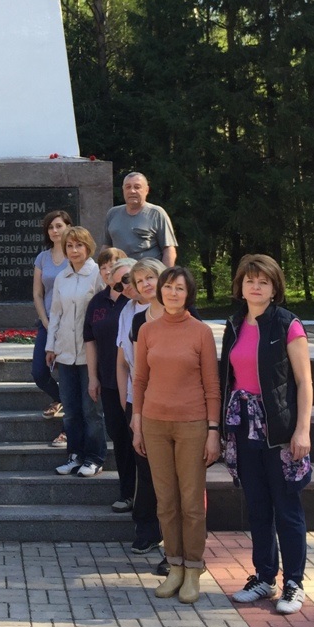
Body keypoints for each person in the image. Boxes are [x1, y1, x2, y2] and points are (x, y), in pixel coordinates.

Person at [219, 254, 313, 615]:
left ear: (275, 288)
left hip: (280, 429)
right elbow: (227, 378)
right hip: (243, 427)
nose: (255, 287)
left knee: (286, 508)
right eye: (249, 280)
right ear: (240, 287)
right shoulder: (235, 324)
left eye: (263, 282)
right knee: (258, 506)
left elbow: (304, 382)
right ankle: (264, 577)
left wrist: (302, 429)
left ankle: (293, 583)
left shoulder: (288, 325)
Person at [132, 267, 220, 604]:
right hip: (154, 423)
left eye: (179, 288)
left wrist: (213, 431)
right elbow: (139, 380)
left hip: (193, 424)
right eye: (168, 287)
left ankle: (194, 568)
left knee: (191, 502)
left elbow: (212, 386)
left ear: (188, 294)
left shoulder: (200, 332)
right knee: (165, 501)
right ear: (160, 291)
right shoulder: (147, 330)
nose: (172, 293)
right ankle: (175, 566)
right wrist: (138, 423)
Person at [116, 258, 167, 559]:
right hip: (142, 403)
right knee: (145, 470)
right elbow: (127, 363)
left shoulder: (183, 312)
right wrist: (129, 407)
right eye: (140, 281)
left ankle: (177, 543)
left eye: (152, 277)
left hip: (176, 405)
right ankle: (147, 530)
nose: (146, 284)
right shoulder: (134, 318)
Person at [45, 227, 104, 477]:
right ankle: (75, 455)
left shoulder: (97, 275)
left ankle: (95, 457)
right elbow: (56, 313)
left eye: (79, 245)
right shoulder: (62, 278)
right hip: (65, 353)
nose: (74, 250)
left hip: (90, 354)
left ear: (88, 247)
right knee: (70, 410)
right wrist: (51, 346)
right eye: (69, 246)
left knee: (91, 410)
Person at [85, 255, 137, 512]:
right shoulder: (98, 302)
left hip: (137, 385)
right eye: (117, 282)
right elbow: (89, 339)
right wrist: (93, 377)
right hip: (109, 383)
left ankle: (146, 496)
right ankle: (127, 492)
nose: (123, 286)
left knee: (137, 438)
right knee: (120, 438)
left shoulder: (138, 304)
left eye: (127, 280)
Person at [32, 210, 72, 427]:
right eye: (51, 227)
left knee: (67, 373)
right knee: (39, 372)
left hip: (71, 325)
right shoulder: (42, 258)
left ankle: (69, 422)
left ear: (68, 227)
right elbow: (38, 293)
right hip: (48, 323)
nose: (55, 230)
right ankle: (60, 398)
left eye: (59, 226)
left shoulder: (75, 255)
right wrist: (45, 321)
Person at [103, 172, 177, 266]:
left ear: (146, 190)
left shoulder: (157, 213)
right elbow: (106, 246)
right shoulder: (112, 214)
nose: (132, 191)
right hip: (120, 275)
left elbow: (169, 249)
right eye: (128, 187)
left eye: (137, 187)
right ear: (123, 190)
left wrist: (165, 278)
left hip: (148, 275)